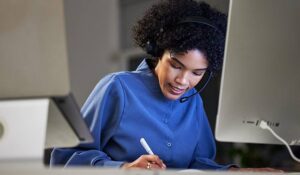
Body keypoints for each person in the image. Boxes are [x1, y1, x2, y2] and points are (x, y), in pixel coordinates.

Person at [50, 0, 281, 172]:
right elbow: (64, 159)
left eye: (197, 73)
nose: (183, 81)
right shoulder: (118, 88)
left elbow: (197, 165)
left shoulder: (194, 102)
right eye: (176, 65)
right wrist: (123, 168)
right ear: (157, 51)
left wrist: (236, 171)